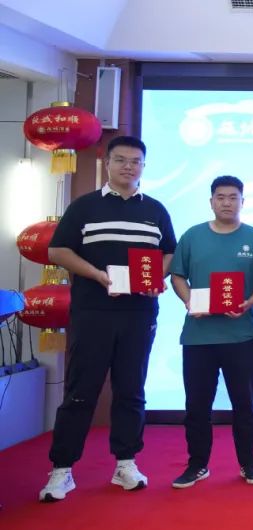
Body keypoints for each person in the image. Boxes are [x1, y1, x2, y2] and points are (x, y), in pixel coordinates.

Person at [40, 136, 176, 502]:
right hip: (93, 312)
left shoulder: (156, 210)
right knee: (80, 390)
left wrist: (155, 278)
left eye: (136, 161)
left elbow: (169, 254)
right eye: (121, 160)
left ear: (143, 166)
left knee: (131, 389)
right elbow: (58, 251)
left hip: (139, 313)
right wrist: (99, 276)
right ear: (107, 163)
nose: (128, 167)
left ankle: (126, 463)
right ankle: (62, 469)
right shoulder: (85, 206)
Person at [169, 175, 253, 488]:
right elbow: (177, 276)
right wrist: (189, 300)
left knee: (245, 405)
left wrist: (249, 302)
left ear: (243, 201)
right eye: (221, 197)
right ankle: (197, 464)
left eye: (233, 197)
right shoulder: (193, 236)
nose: (227, 202)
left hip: (242, 336)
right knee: (197, 406)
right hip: (198, 337)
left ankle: (248, 464)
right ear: (211, 201)